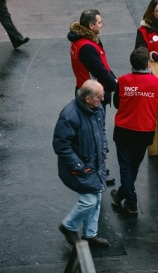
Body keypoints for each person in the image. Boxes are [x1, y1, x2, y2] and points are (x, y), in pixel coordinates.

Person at [110, 47, 158, 213]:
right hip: (144, 131)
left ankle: (125, 198)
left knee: (126, 167)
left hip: (123, 130)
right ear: (148, 64)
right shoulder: (156, 83)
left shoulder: (123, 81)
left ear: (131, 65)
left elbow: (117, 104)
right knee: (134, 166)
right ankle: (126, 199)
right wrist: (151, 102)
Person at [53, 79, 110, 248]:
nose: (103, 99)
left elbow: (101, 130)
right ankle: (68, 226)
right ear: (87, 98)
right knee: (89, 201)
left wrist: (104, 149)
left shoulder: (96, 108)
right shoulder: (70, 115)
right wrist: (78, 166)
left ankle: (90, 234)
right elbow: (61, 145)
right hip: (81, 167)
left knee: (96, 198)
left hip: (94, 163)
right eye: (99, 97)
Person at [68, 9, 117, 111]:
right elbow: (99, 72)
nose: (101, 25)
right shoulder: (87, 47)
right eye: (99, 22)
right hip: (92, 95)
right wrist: (114, 85)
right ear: (91, 26)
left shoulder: (79, 41)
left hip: (85, 90)